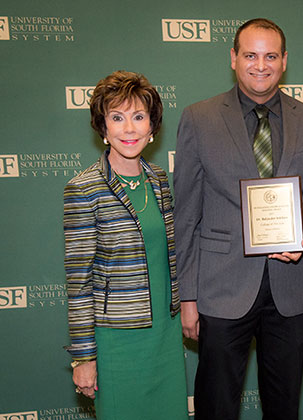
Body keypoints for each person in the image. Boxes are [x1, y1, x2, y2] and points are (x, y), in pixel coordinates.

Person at [174, 18, 303, 420]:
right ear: (233, 58)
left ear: (284, 62)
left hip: (290, 290)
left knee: (283, 408)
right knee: (217, 407)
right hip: (220, 288)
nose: (259, 65)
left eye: (269, 56)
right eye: (250, 55)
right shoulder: (199, 117)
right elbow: (186, 213)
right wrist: (188, 297)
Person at [64, 70, 188, 419]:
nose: (129, 129)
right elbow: (79, 282)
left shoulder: (159, 180)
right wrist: (84, 357)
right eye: (117, 118)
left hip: (164, 335)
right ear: (103, 128)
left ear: (152, 127)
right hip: (117, 344)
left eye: (138, 117)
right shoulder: (84, 189)